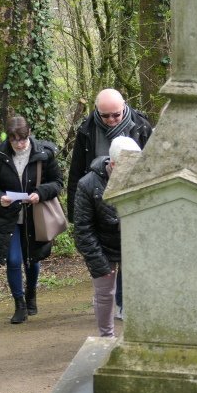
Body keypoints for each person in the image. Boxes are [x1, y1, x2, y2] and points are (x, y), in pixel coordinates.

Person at [0, 116, 63, 324]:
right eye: (14, 140)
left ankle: (31, 294)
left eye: (23, 139)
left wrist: (40, 193)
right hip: (8, 217)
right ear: (8, 138)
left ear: (29, 134)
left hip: (34, 216)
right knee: (13, 260)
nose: (19, 144)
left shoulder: (44, 153)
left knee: (32, 258)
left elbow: (57, 182)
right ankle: (19, 304)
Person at [72, 135, 141, 337]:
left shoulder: (143, 178)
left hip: (133, 245)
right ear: (113, 164)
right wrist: (100, 263)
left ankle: (137, 337)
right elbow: (83, 229)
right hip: (103, 246)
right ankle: (106, 337)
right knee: (105, 294)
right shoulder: (88, 184)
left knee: (138, 294)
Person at [67, 88, 152, 212]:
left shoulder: (142, 127)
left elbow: (152, 167)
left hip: (134, 198)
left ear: (123, 106)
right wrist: (75, 211)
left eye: (116, 114)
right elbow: (76, 171)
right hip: (98, 201)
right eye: (105, 115)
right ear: (97, 109)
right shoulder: (86, 130)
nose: (111, 119)